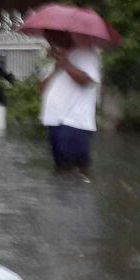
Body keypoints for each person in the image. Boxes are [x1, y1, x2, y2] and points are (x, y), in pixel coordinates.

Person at [40, 30, 101, 174]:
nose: (50, 42)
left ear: (66, 36)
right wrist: (56, 68)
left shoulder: (86, 55)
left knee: (76, 171)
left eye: (53, 38)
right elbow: (42, 88)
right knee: (61, 169)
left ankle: (83, 195)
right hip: (54, 121)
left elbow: (87, 81)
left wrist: (66, 64)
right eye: (48, 39)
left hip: (75, 123)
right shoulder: (53, 59)